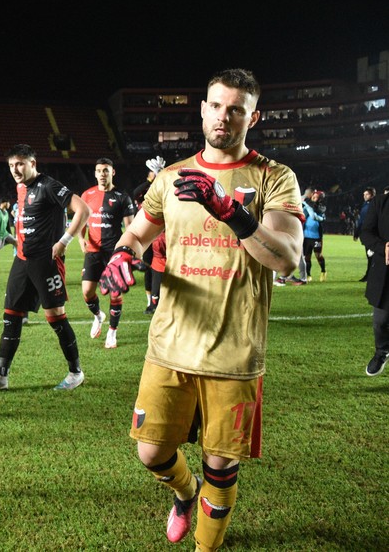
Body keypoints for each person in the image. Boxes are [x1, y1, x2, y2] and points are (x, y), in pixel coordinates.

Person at [99, 69, 303, 550]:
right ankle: (184, 494)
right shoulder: (170, 177)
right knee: (151, 452)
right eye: (215, 105)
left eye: (236, 109)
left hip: (233, 351)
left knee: (221, 464)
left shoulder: (273, 176)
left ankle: (205, 546)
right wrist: (121, 256)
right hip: (170, 344)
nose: (223, 117)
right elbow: (136, 235)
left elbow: (287, 257)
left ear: (253, 116)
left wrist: (231, 211)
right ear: (203, 108)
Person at [0, 143, 91, 391]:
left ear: (32, 163)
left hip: (45, 262)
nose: (15, 170)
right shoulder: (20, 188)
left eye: (20, 164)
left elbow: (83, 209)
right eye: (11, 165)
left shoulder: (49, 186)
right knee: (11, 316)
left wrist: (64, 241)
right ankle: (1, 376)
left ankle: (75, 373)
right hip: (22, 260)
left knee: (56, 318)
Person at [79, 157, 136, 349]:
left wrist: (126, 251)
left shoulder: (122, 197)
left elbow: (130, 228)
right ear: (95, 173)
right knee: (87, 292)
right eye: (99, 171)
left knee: (115, 294)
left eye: (106, 170)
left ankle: (112, 333)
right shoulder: (87, 195)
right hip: (93, 251)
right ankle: (98, 316)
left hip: (114, 253)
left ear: (112, 172)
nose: (102, 174)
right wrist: (81, 238)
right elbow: (80, 221)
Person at [133, 156, 167, 312]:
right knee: (148, 267)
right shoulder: (145, 189)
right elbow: (135, 193)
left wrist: (161, 177)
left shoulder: (165, 187)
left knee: (161, 267)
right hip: (146, 233)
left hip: (162, 233)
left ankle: (160, 300)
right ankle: (150, 302)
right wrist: (150, 180)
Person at [361, 188, 389, 376]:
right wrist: (383, 247)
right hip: (384, 273)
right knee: (380, 321)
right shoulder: (380, 202)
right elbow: (366, 233)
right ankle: (382, 351)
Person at [302, 190, 327, 282]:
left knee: (318, 255)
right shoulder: (308, 207)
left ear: (320, 199)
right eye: (313, 196)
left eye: (316, 197)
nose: (313, 198)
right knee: (307, 257)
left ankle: (323, 271)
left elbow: (317, 210)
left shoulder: (321, 207)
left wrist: (307, 202)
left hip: (316, 237)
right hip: (306, 237)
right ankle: (308, 274)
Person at [355, 187, 376, 282]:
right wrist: (357, 231)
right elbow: (361, 220)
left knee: (371, 255)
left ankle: (369, 275)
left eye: (366, 194)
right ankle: (370, 275)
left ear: (372, 195)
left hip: (371, 234)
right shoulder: (365, 204)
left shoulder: (374, 205)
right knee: (370, 255)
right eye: (364, 194)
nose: (364, 196)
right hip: (366, 233)